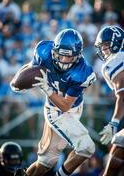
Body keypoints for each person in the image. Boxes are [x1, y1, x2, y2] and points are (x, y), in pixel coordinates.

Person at [11, 28, 96, 176]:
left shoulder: (82, 72)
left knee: (45, 163)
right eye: (60, 55)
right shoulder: (44, 51)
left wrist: (47, 89)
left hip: (70, 107)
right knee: (86, 147)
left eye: (68, 57)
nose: (63, 60)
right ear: (54, 50)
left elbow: (66, 105)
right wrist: (17, 81)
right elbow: (31, 68)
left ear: (77, 56)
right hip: (54, 112)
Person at [94, 25, 124, 176]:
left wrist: (114, 123)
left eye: (106, 45)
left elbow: (122, 96)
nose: (103, 50)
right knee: (118, 145)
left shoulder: (117, 60)